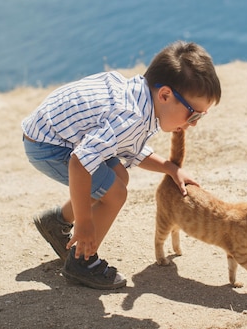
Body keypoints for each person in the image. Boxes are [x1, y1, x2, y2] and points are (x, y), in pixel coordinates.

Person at [21, 41, 222, 290]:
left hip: (61, 134)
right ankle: (81, 263)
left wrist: (171, 168)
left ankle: (57, 221)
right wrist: (84, 223)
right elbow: (79, 163)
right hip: (49, 145)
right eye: (194, 115)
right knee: (115, 194)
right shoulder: (132, 116)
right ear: (166, 95)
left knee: (118, 176)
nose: (194, 124)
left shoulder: (141, 98)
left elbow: (132, 149)